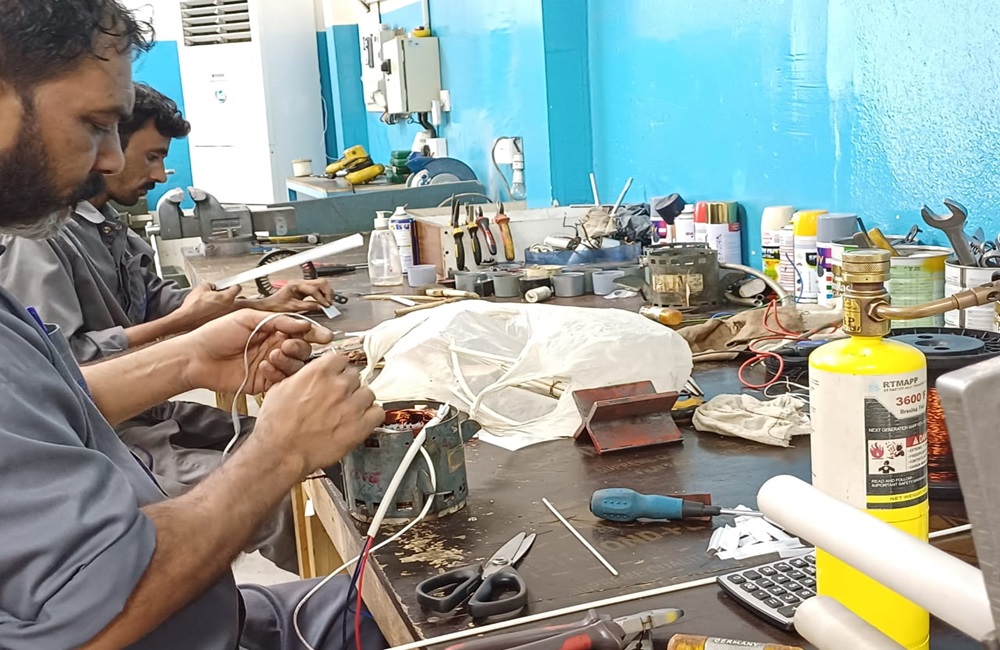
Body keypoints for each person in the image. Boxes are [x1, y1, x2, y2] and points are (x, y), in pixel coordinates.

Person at [0, 1, 387, 648]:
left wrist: (188, 358)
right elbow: (95, 617)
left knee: (439, 603)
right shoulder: (34, 241)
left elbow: (35, 404)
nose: (108, 160)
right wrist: (280, 454)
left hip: (230, 619)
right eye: (94, 124)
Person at [0, 82, 326, 572]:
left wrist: (264, 303)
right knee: (282, 496)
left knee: (306, 440)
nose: (158, 175)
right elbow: (67, 367)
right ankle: (350, 590)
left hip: (151, 409)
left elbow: (158, 303)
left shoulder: (109, 225)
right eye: (150, 157)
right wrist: (183, 330)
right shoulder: (40, 240)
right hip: (109, 430)